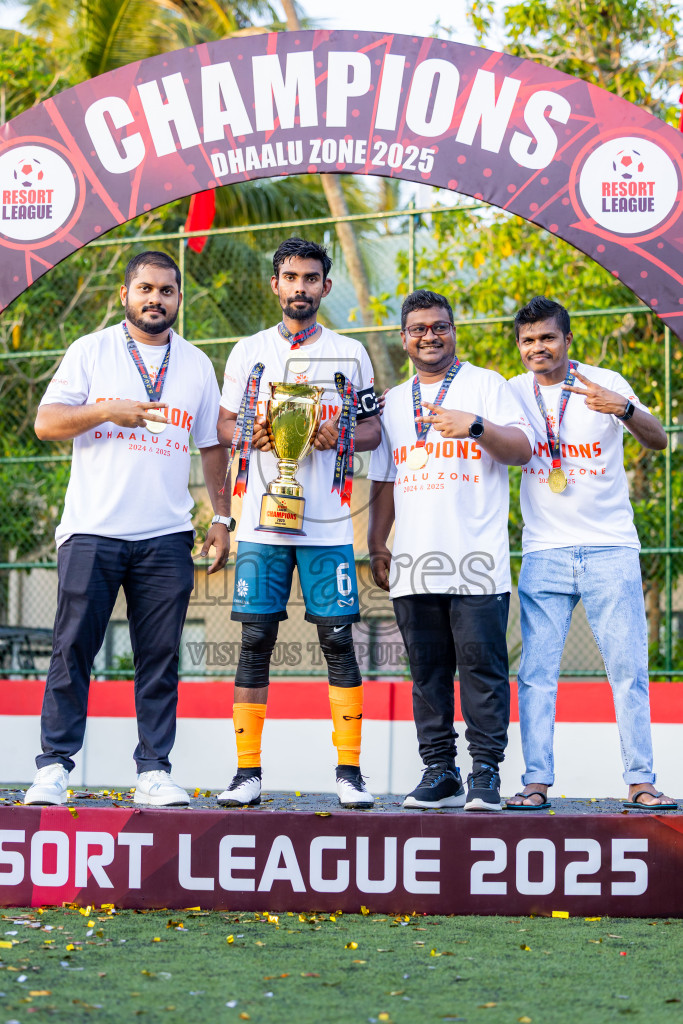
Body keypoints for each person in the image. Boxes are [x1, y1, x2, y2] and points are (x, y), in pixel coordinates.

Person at [24, 251, 231, 808]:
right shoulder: (91, 351)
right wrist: (105, 410)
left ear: (178, 299)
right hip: (93, 529)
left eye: (166, 290)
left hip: (165, 535)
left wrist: (221, 516)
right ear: (124, 294)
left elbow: (213, 445)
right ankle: (53, 768)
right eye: (145, 288)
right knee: (72, 651)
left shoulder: (196, 365)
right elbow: (46, 423)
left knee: (160, 657)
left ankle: (154, 771)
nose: (155, 299)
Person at [216, 237, 381, 808]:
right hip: (262, 523)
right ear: (275, 285)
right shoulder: (248, 351)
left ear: (326, 287)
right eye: (290, 277)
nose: (300, 287)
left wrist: (342, 439)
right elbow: (223, 426)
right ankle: (247, 774)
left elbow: (373, 432)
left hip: (329, 526)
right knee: (254, 640)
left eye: (311, 278)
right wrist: (250, 434)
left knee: (338, 642)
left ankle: (349, 772)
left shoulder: (351, 353)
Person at [506, 295, 677, 810]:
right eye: (529, 340)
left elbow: (659, 441)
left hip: (611, 549)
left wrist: (622, 409)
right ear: (519, 346)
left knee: (627, 672)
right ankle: (535, 783)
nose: (539, 347)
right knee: (535, 675)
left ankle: (641, 781)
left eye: (548, 338)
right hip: (543, 553)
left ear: (568, 340)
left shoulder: (605, 383)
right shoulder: (511, 393)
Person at [367, 288, 533, 811]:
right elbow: (386, 479)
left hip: (477, 562)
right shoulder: (394, 401)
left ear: (453, 330)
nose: (429, 336)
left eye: (439, 326)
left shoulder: (487, 385)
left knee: (483, 671)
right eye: (418, 329)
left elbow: (524, 450)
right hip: (415, 564)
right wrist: (376, 542)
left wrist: (476, 425)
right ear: (404, 339)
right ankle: (439, 771)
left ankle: (484, 774)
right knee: (427, 674)